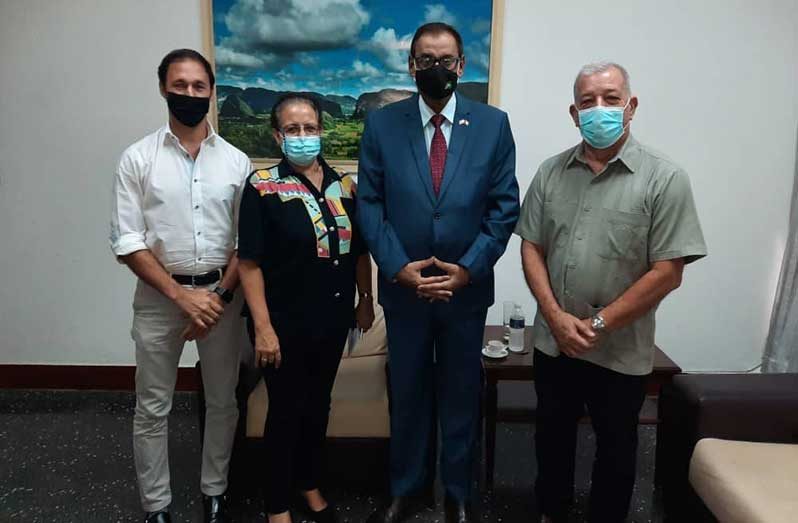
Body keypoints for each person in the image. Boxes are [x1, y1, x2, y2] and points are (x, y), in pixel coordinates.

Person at [515, 62, 708, 523]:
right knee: (551, 438)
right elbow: (531, 246)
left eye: (610, 98)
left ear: (631, 106)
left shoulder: (665, 178)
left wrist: (598, 324)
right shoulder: (551, 172)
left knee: (618, 448)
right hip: (554, 343)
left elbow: (668, 270)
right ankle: (551, 512)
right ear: (573, 112)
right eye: (587, 102)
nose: (598, 109)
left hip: (620, 349)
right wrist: (556, 317)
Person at [358, 22, 519, 523]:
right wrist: (396, 267)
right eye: (425, 59)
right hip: (404, 291)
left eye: (445, 59)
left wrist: (468, 269)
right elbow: (369, 204)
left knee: (460, 395)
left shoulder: (492, 124)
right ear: (410, 65)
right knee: (406, 392)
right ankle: (406, 489)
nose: (436, 68)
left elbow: (503, 207)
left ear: (462, 65)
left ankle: (457, 493)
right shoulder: (383, 124)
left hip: (464, 294)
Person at [110, 49, 251, 523]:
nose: (189, 94)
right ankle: (157, 505)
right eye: (180, 85)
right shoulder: (137, 158)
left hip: (220, 300)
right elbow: (127, 240)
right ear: (163, 88)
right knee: (152, 406)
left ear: (212, 92)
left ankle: (215, 490)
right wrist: (180, 295)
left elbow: (246, 243)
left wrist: (216, 297)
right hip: (159, 300)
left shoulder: (236, 161)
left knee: (222, 400)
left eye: (199, 86)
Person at [237, 93, 375, 523]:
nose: (303, 137)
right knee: (285, 410)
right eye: (293, 130)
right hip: (282, 322)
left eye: (310, 128)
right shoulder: (261, 186)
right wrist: (262, 327)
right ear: (278, 136)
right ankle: (277, 503)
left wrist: (366, 300)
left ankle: (308, 483)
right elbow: (249, 262)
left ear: (322, 130)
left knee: (319, 405)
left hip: (333, 320)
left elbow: (360, 254)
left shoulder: (346, 186)